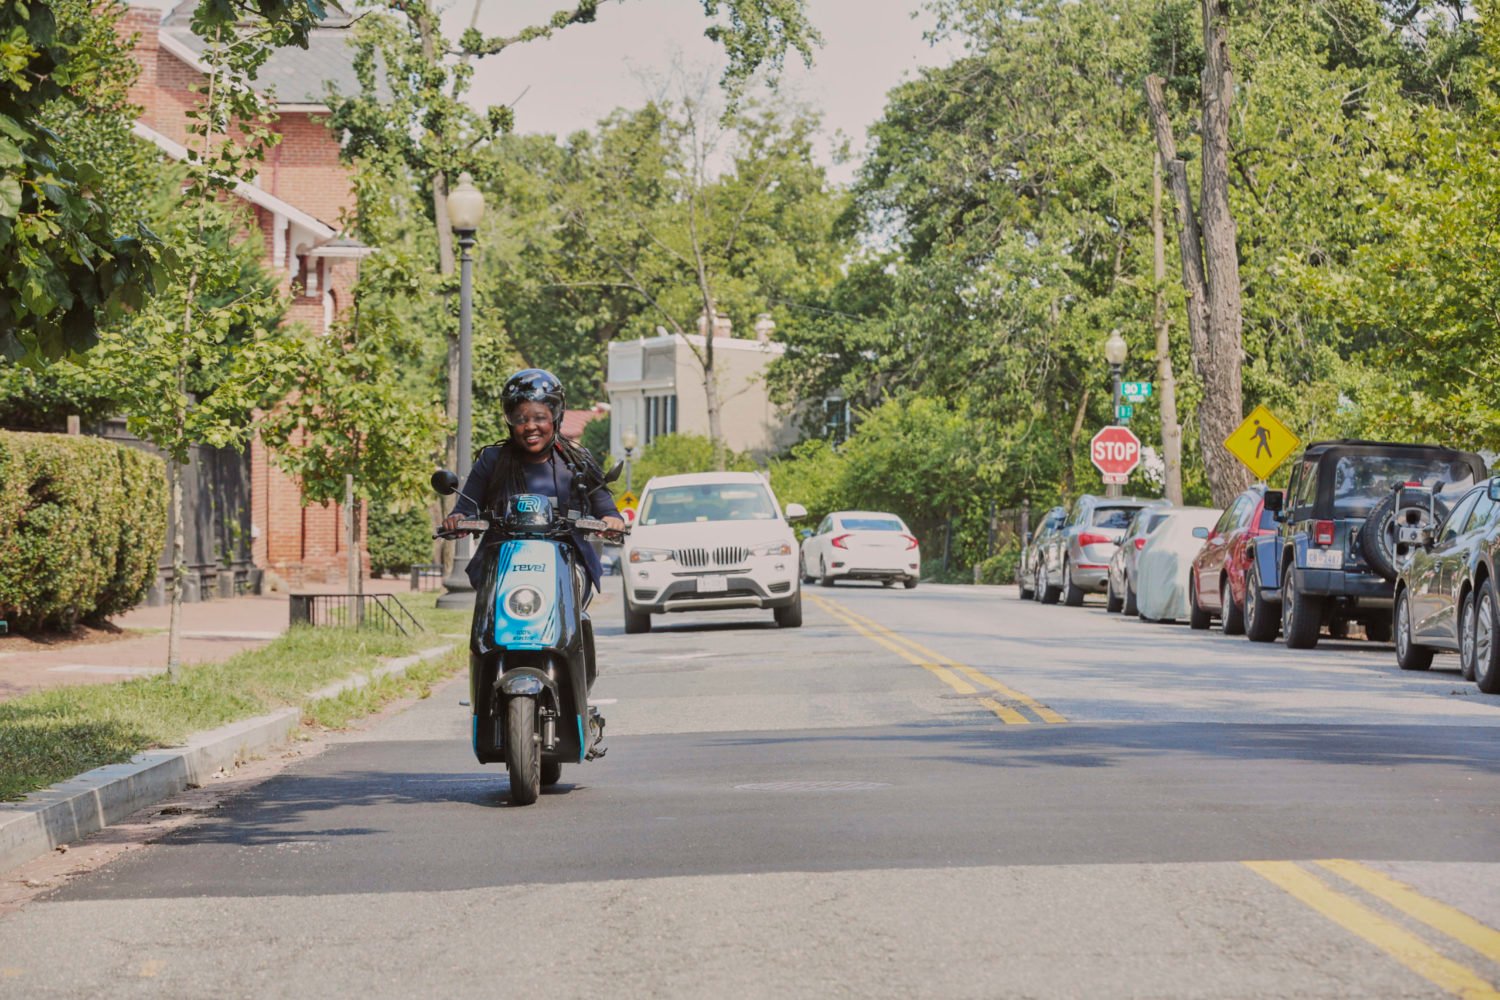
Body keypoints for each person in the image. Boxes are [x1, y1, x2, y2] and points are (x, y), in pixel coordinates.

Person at [443, 368, 625, 595]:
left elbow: (608, 510)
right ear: (510, 421)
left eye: (540, 418)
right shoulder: (492, 460)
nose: (530, 426)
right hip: (503, 563)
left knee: (574, 593)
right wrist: (456, 520)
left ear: (556, 417)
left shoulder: (577, 462)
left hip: (566, 561)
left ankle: (577, 631)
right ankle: (485, 632)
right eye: (520, 419)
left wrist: (611, 521)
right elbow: (464, 509)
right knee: (486, 610)